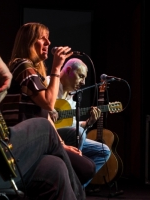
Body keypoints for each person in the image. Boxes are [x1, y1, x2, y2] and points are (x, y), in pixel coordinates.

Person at [0, 50, 86, 199]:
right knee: (45, 128)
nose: (49, 43)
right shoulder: (24, 67)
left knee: (56, 167)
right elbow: (48, 104)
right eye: (43, 38)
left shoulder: (34, 75)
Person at [47, 58, 111, 187]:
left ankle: (77, 187)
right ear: (69, 70)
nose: (83, 82)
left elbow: (72, 124)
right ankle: (70, 183)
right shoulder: (49, 83)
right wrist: (48, 111)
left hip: (67, 134)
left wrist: (89, 122)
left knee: (104, 151)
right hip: (49, 135)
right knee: (78, 132)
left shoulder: (71, 96)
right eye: (81, 76)